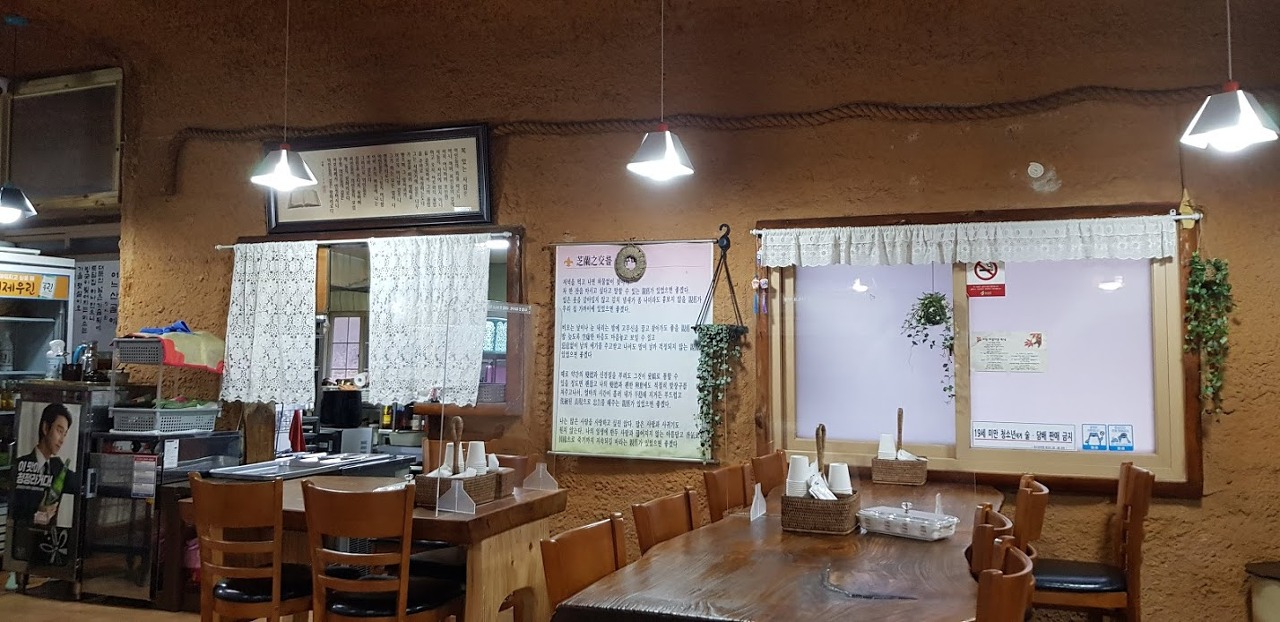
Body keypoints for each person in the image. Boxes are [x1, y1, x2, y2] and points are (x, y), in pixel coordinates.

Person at [12, 403, 77, 527]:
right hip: (22, 535)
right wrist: (36, 518)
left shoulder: (58, 466)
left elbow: (81, 484)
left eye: (64, 434)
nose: (62, 440)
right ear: (46, 428)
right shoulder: (19, 465)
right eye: (59, 431)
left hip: (52, 537)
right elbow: (11, 511)